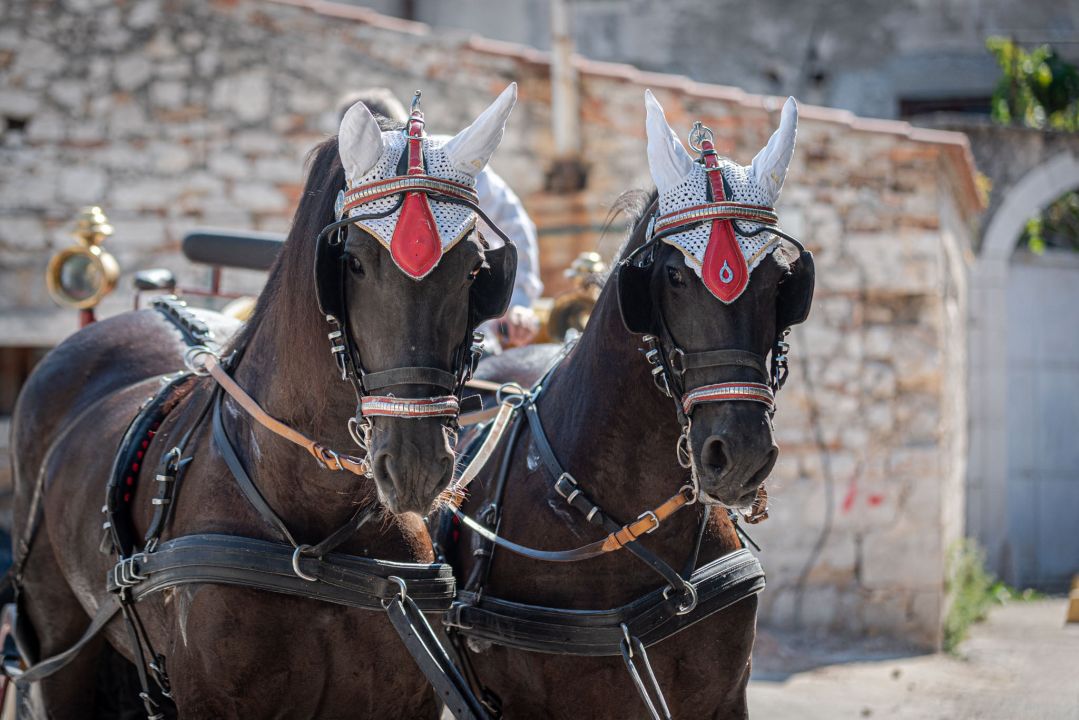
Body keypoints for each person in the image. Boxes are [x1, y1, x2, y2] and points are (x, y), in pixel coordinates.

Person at [336, 89, 543, 349]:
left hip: (469, 337)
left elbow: (513, 226)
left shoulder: (454, 165)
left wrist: (518, 304)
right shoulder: (344, 188)